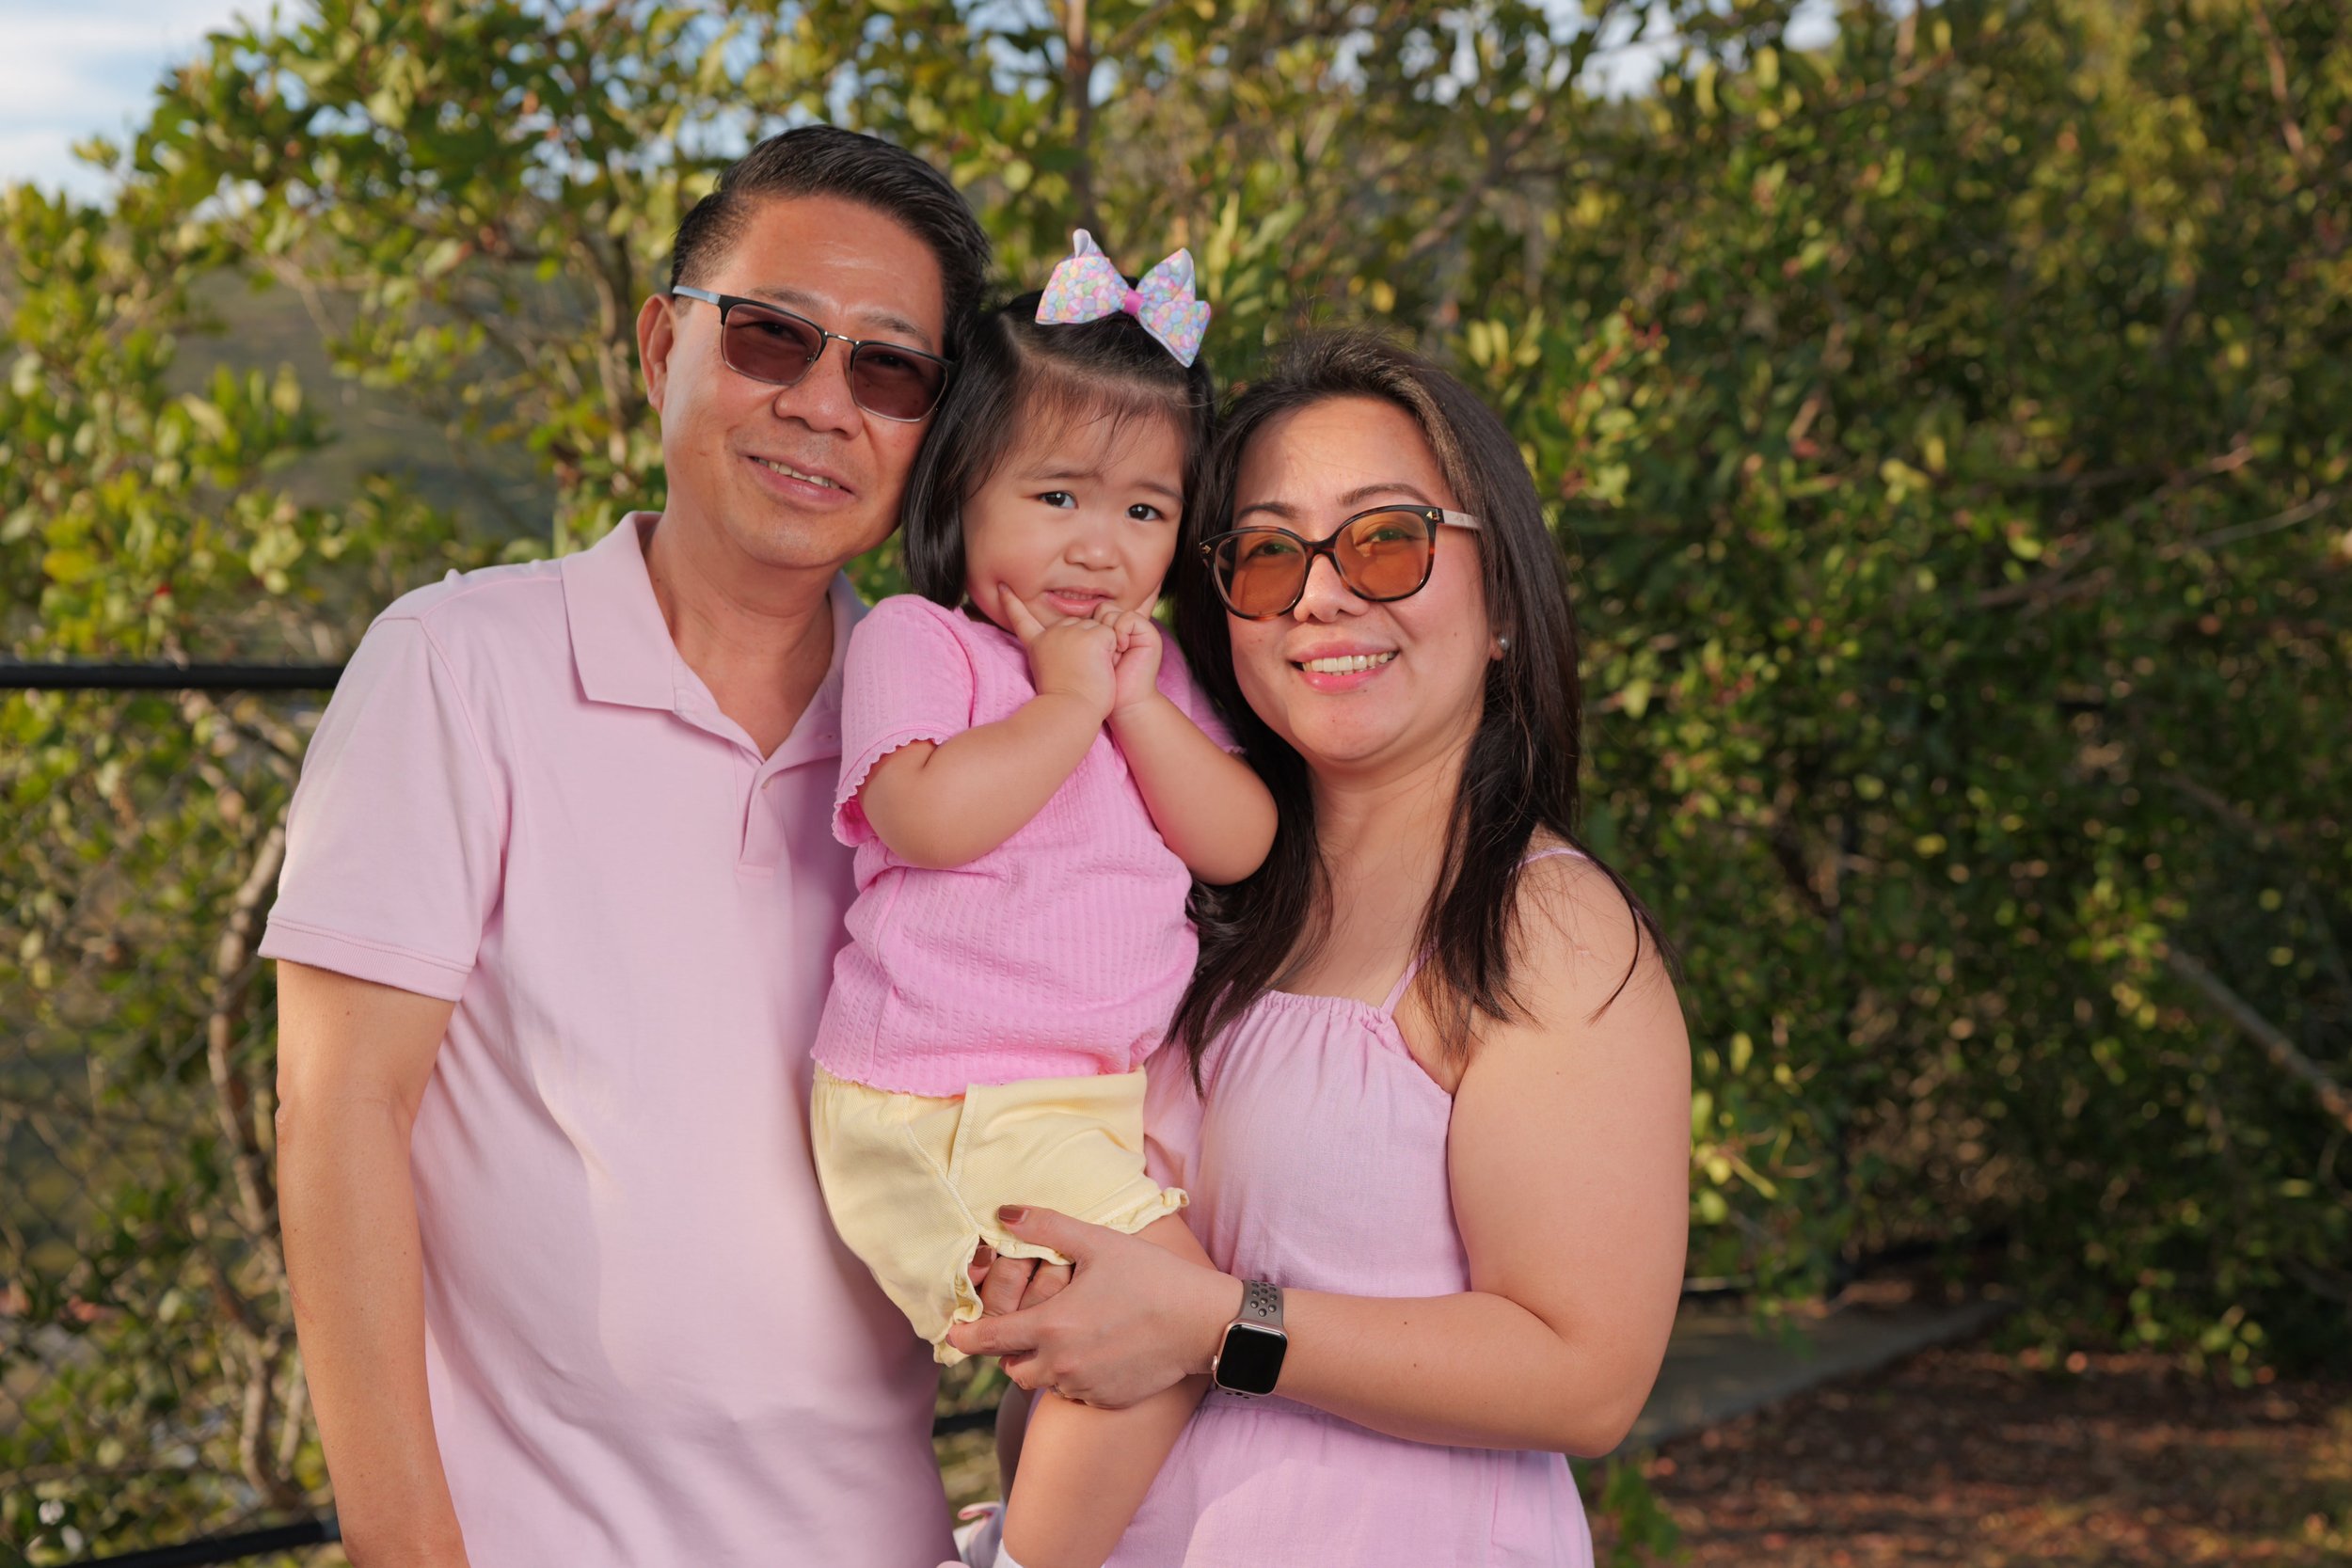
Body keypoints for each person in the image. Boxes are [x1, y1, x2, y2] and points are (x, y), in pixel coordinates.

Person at [262, 127, 991, 1567]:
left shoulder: (955, 749)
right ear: (663, 346)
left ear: (935, 429)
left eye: (889, 369)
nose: (822, 406)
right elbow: (338, 1116)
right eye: (773, 338)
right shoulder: (457, 665)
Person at [947, 332, 1692, 1565]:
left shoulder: (1541, 928)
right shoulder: (1187, 896)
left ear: (1501, 595)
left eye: (1386, 539)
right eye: (1268, 553)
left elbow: (1585, 1376)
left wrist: (1213, 1326)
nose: (1321, 594)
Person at [811, 230, 1276, 1568]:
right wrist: (1068, 702)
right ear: (965, 493)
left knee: (1090, 1357)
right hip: (945, 1097)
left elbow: (1238, 841)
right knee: (1177, 1319)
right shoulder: (926, 642)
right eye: (1058, 497)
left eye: (1143, 512)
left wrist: (1130, 706)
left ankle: (1013, 1532)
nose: (1100, 548)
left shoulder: (1148, 672)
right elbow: (928, 818)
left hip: (1076, 1101)